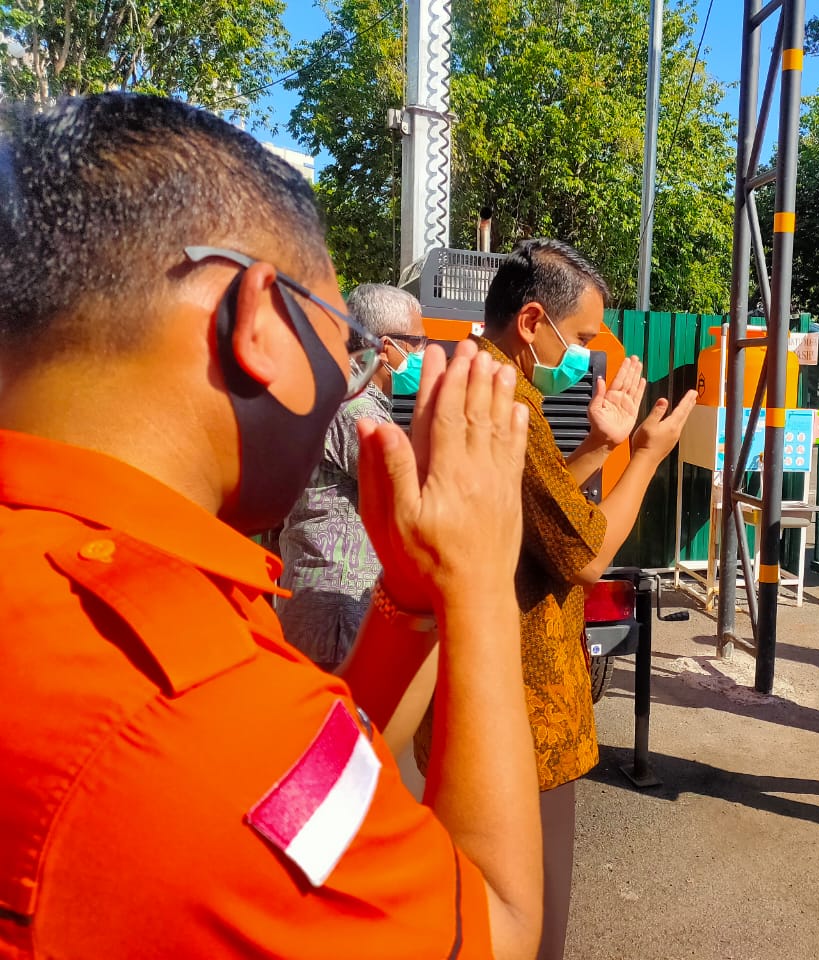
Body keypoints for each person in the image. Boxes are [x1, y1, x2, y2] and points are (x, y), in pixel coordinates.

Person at [0, 93, 543, 959]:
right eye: (344, 333)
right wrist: (478, 584)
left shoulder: (114, 594)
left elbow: (320, 781)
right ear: (257, 319)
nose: (351, 369)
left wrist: (409, 605)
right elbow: (498, 930)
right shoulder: (192, 710)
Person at [413, 239, 695, 959]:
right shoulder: (513, 405)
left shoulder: (476, 382)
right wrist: (649, 456)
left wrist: (601, 447)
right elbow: (584, 552)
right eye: (584, 339)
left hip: (475, 688)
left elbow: (536, 514)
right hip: (522, 700)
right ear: (534, 321)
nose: (588, 357)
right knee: (532, 915)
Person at [275, 283, 426, 671]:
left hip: (325, 596)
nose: (423, 353)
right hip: (337, 603)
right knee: (345, 720)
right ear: (389, 346)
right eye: (418, 342)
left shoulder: (343, 393)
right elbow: (407, 487)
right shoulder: (355, 406)